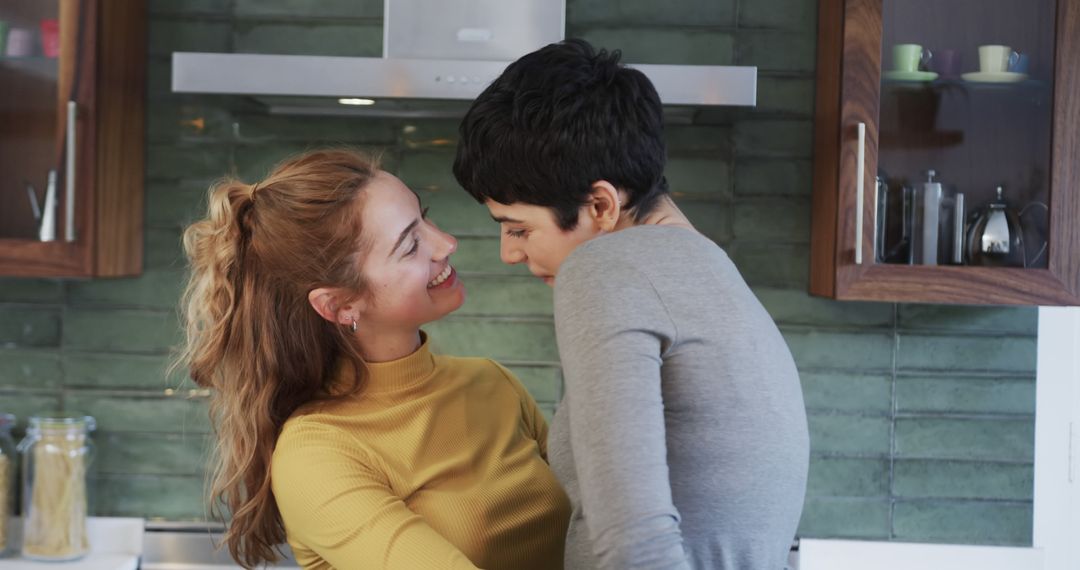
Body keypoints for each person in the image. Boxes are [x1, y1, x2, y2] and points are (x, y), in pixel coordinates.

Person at [453, 39, 810, 570]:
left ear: (600, 204)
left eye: (518, 227)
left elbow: (635, 545)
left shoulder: (606, 267)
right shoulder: (712, 270)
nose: (510, 253)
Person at [173, 149, 570, 570]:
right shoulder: (318, 453)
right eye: (410, 244)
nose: (446, 243)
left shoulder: (493, 384)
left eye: (425, 218)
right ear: (340, 304)